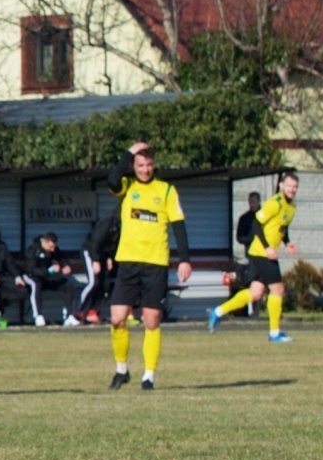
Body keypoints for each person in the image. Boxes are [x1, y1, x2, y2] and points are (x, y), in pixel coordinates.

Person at [106, 141, 193, 390]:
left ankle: (149, 376)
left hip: (155, 264)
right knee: (117, 319)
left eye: (148, 165)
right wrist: (130, 151)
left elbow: (178, 226)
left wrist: (184, 259)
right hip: (128, 262)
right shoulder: (127, 187)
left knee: (151, 320)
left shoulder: (166, 190)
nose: (144, 170)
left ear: (154, 166)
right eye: (140, 165)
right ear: (133, 167)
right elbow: (113, 178)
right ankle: (121, 370)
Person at [208, 170, 299, 342]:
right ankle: (274, 333)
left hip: (261, 254)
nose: (292, 189)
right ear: (281, 186)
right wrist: (267, 248)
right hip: (262, 254)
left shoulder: (292, 206)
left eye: (295, 187)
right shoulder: (274, 203)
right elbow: (256, 225)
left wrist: (287, 242)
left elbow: (282, 227)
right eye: (289, 185)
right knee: (278, 290)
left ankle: (217, 311)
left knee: (256, 293)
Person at [20, 231, 80, 326]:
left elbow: (62, 258)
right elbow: (31, 269)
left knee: (68, 284)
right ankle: (38, 316)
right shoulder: (33, 250)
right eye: (50, 247)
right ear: (45, 242)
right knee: (36, 285)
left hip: (48, 277)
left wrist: (66, 266)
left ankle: (68, 316)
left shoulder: (54, 250)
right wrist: (48, 271)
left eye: (54, 247)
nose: (52, 250)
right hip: (32, 276)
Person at [75, 206, 119, 324]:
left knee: (105, 284)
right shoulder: (106, 222)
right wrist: (95, 260)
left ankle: (92, 311)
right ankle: (78, 311)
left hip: (103, 255)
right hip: (90, 252)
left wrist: (109, 257)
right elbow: (95, 242)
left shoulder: (120, 225)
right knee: (93, 283)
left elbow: (113, 243)